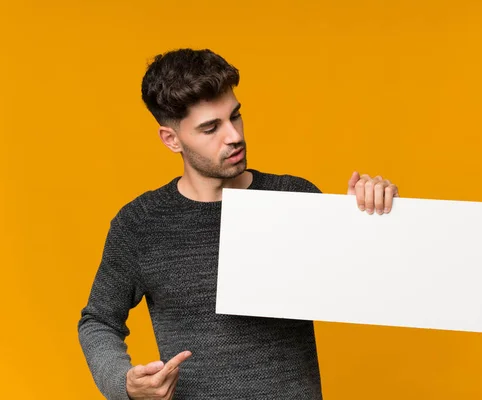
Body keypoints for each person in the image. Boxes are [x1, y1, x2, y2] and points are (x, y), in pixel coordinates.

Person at [78, 48, 399, 400]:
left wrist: (373, 216)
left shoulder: (295, 199)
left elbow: (371, 283)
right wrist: (124, 382)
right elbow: (98, 321)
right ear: (172, 139)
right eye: (210, 128)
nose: (233, 136)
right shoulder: (140, 224)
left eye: (236, 116)